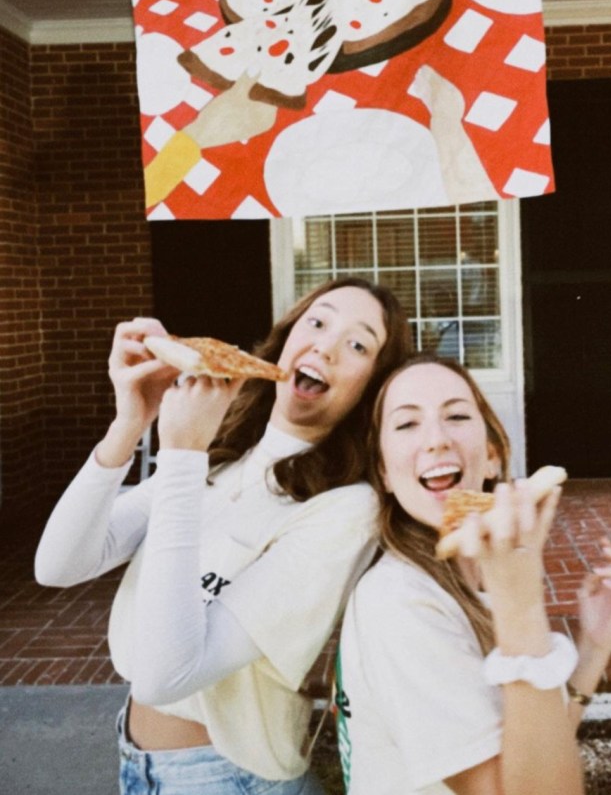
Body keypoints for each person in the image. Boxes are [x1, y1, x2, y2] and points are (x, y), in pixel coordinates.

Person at [35, 277, 413, 795]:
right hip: (137, 761)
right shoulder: (221, 458)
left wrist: (181, 455)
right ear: (286, 339)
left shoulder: (346, 508)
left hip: (230, 778)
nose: (325, 347)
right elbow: (59, 565)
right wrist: (131, 422)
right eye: (318, 322)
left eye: (357, 345)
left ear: (372, 386)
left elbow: (165, 676)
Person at [336, 354, 611, 795]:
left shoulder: (483, 574)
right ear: (384, 473)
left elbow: (530, 759)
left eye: (456, 416)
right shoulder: (399, 604)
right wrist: (521, 610)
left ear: (492, 456)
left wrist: (594, 648)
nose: (436, 440)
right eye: (407, 424)